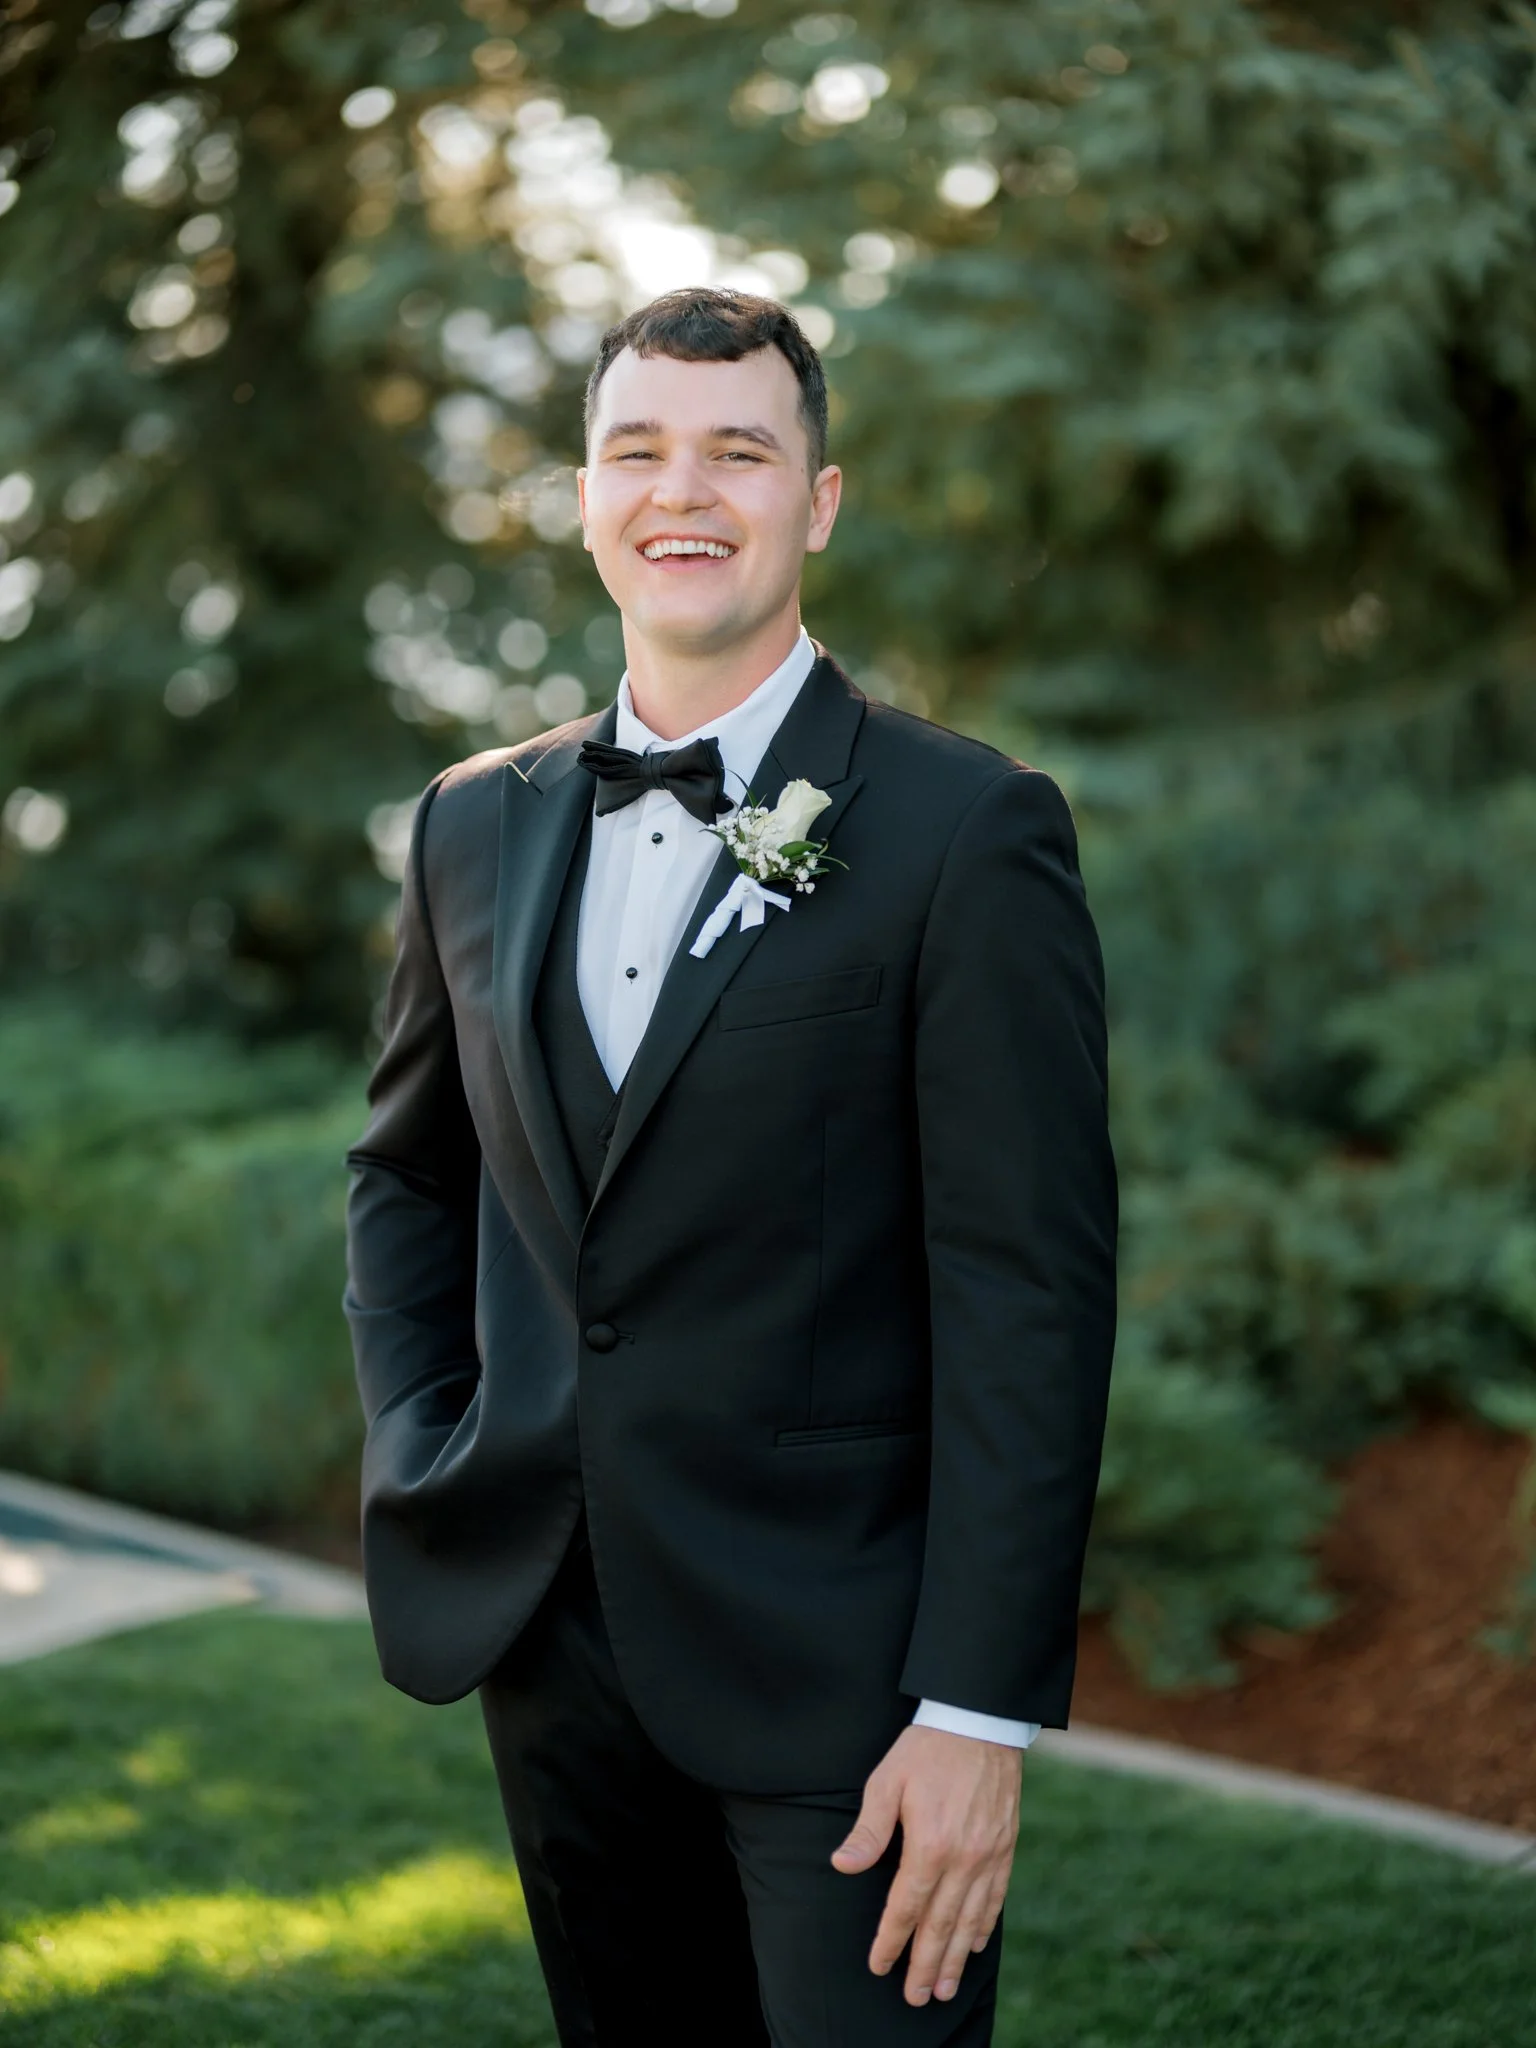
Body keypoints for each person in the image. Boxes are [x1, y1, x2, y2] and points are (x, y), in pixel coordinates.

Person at [344, 287, 1118, 2046]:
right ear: (586, 498)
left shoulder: (968, 828)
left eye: (738, 453)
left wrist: (975, 1710)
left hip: (854, 1672)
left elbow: (1029, 1288)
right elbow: (407, 1174)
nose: (681, 491)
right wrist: (425, 1435)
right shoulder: (470, 819)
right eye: (638, 451)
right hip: (548, 1637)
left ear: (817, 502)